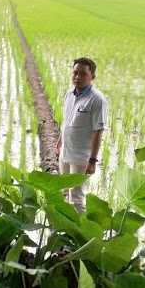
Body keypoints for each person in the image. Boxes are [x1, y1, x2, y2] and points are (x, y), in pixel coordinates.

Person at [56, 57, 107, 213]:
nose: (77, 77)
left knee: (76, 196)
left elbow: (98, 132)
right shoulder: (69, 95)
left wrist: (92, 161)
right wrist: (59, 142)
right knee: (63, 191)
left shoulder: (97, 100)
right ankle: (64, 228)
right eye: (75, 73)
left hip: (81, 158)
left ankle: (80, 234)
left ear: (92, 76)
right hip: (65, 152)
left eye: (83, 74)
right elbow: (66, 121)